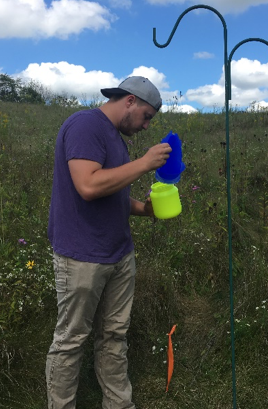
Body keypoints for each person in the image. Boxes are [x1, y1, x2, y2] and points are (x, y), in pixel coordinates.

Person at [46, 76, 171, 409]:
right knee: (71, 341)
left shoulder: (117, 140)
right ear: (129, 101)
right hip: (82, 256)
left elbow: (110, 192)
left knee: (114, 338)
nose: (146, 126)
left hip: (118, 253)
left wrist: (144, 209)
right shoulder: (85, 125)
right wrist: (145, 163)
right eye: (146, 116)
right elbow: (88, 185)